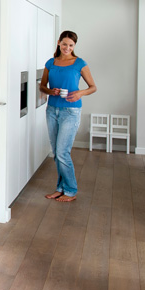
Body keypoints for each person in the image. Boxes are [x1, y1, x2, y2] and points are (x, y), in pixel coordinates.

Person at [39, 30, 97, 203]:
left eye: (71, 45)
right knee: (57, 153)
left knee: (62, 152)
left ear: (74, 46)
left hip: (71, 112)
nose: (67, 47)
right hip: (52, 110)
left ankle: (71, 191)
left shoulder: (79, 63)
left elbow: (93, 87)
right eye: (64, 44)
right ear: (59, 43)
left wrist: (80, 93)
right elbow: (42, 86)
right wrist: (51, 91)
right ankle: (60, 188)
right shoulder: (51, 62)